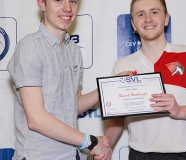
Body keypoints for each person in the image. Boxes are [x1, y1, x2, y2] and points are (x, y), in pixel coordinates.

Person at [94, 0, 186, 159]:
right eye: (141, 14)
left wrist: (180, 111)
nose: (148, 18)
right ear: (133, 24)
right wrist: (107, 142)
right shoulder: (122, 66)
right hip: (140, 156)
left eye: (154, 12)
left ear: (166, 18)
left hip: (185, 155)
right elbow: (117, 119)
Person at [7, 0, 112, 159]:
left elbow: (73, 106)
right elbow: (36, 119)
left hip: (72, 155)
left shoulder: (73, 50)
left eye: (73, 1)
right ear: (42, 4)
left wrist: (109, 88)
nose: (68, 8)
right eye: (58, 0)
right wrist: (90, 142)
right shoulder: (29, 47)